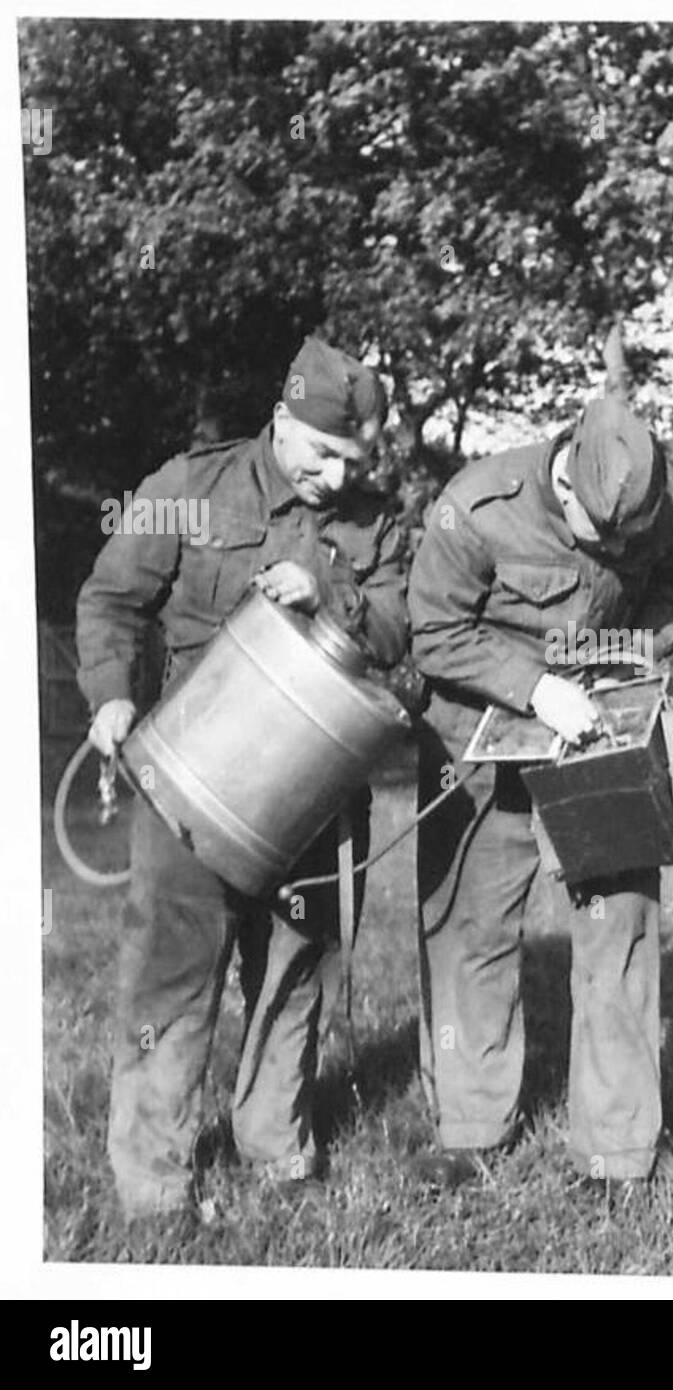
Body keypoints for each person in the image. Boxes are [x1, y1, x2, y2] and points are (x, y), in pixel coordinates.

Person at [76, 337, 408, 1222]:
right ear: (280, 422)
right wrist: (111, 699)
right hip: (192, 780)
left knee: (296, 970)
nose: (336, 479)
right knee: (172, 979)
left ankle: (275, 1149)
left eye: (355, 461)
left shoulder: (376, 521)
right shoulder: (189, 486)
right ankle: (153, 1185)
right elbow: (110, 601)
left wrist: (332, 597)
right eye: (323, 454)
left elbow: (409, 626)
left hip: (315, 792)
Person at [406, 394, 673, 1195]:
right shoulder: (475, 505)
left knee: (620, 927)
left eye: (623, 540)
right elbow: (432, 633)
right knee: (472, 929)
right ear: (563, 474)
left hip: (600, 734)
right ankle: (470, 1126)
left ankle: (614, 1149)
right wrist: (534, 689)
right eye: (595, 533)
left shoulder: (648, 505)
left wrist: (632, 653)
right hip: (479, 742)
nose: (610, 548)